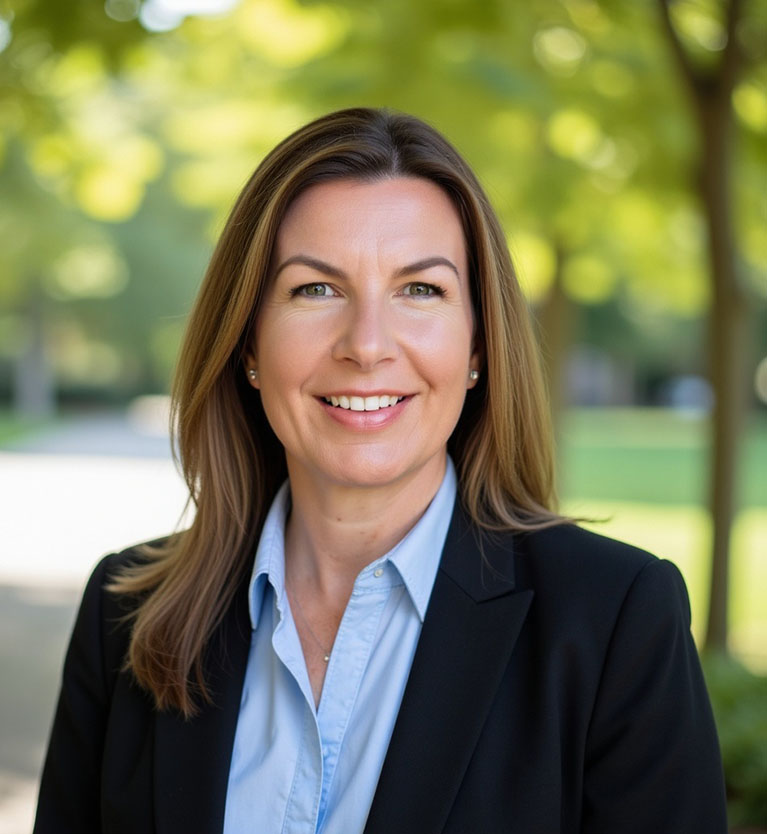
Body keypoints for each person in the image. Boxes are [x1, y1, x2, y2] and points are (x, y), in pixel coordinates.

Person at [34, 107, 727, 834]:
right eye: (315, 289)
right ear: (248, 344)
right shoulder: (125, 615)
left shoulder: (615, 621)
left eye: (420, 290)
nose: (366, 346)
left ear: (477, 346)